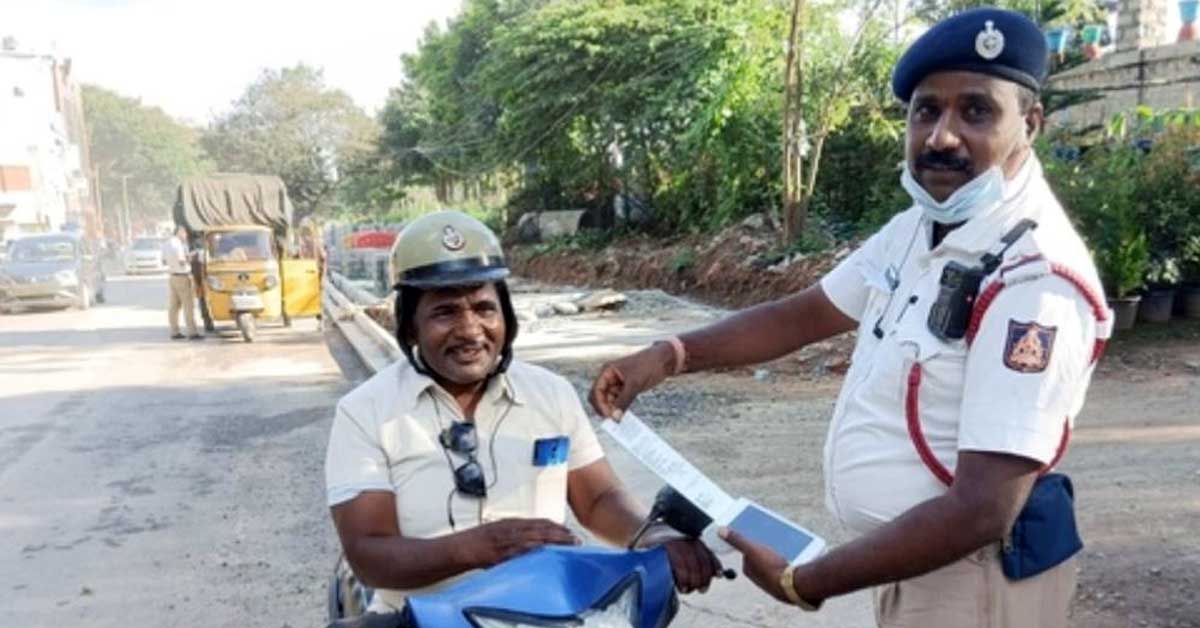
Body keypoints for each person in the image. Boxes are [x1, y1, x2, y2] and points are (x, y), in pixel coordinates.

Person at [590, 8, 1110, 627]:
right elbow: (804, 314)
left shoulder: (1034, 279)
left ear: (1029, 124)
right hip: (916, 566)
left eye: (976, 111)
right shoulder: (921, 228)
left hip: (975, 578)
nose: (942, 136)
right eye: (926, 111)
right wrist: (669, 355)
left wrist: (807, 581)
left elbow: (983, 507)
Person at [324, 211, 720, 622]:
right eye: (445, 313)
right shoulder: (366, 412)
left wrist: (651, 534)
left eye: (483, 308)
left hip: (546, 615)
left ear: (507, 318)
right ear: (410, 328)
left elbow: (598, 498)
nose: (470, 329)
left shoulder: (550, 394)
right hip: (416, 618)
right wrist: (478, 547)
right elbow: (369, 550)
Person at [163, 225, 203, 340]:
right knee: (188, 306)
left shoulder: (166, 244)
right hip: (182, 277)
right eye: (185, 234)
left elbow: (164, 261)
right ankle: (192, 332)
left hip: (172, 277)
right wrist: (191, 258)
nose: (186, 236)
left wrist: (174, 263)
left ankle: (174, 332)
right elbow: (182, 261)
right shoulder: (178, 244)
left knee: (173, 306)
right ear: (180, 232)